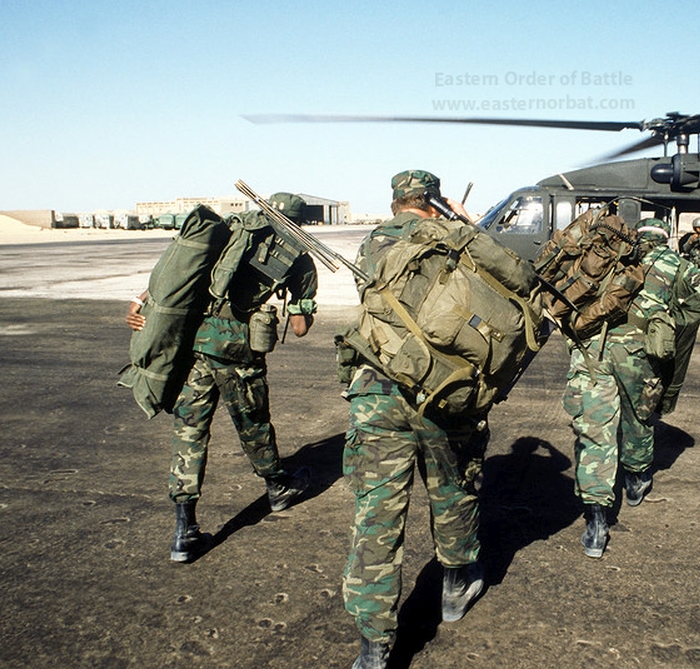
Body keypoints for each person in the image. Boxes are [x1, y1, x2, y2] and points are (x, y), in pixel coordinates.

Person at [341, 170, 486, 669]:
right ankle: (455, 586)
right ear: (434, 201)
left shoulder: (371, 243)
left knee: (377, 513)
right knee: (453, 489)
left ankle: (373, 646)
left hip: (378, 391)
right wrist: (469, 224)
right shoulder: (456, 237)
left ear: (396, 201)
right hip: (442, 391)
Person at [125, 193, 317, 563]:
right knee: (253, 424)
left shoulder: (232, 231)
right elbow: (300, 329)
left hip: (196, 345)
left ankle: (184, 530)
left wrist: (141, 300)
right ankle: (278, 486)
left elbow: (183, 270)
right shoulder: (300, 259)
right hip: (238, 351)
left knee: (190, 431)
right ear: (300, 223)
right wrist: (298, 304)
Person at [562, 217, 680, 559]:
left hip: (589, 354)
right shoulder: (667, 265)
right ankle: (635, 481)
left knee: (595, 434)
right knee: (639, 416)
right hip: (636, 352)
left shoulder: (594, 261)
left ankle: (596, 524)